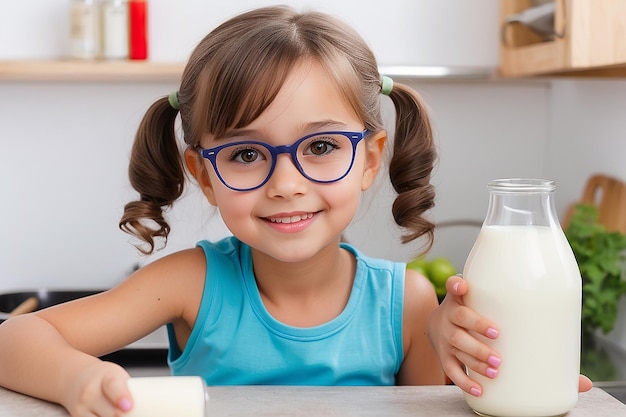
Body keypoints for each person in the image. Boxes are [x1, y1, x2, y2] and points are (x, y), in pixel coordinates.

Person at [0, 5, 590, 417]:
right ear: (204, 174)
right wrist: (78, 378)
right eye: (248, 153)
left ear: (369, 158)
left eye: (322, 146)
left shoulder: (406, 304)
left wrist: (492, 376)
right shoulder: (190, 285)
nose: (287, 184)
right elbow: (16, 339)